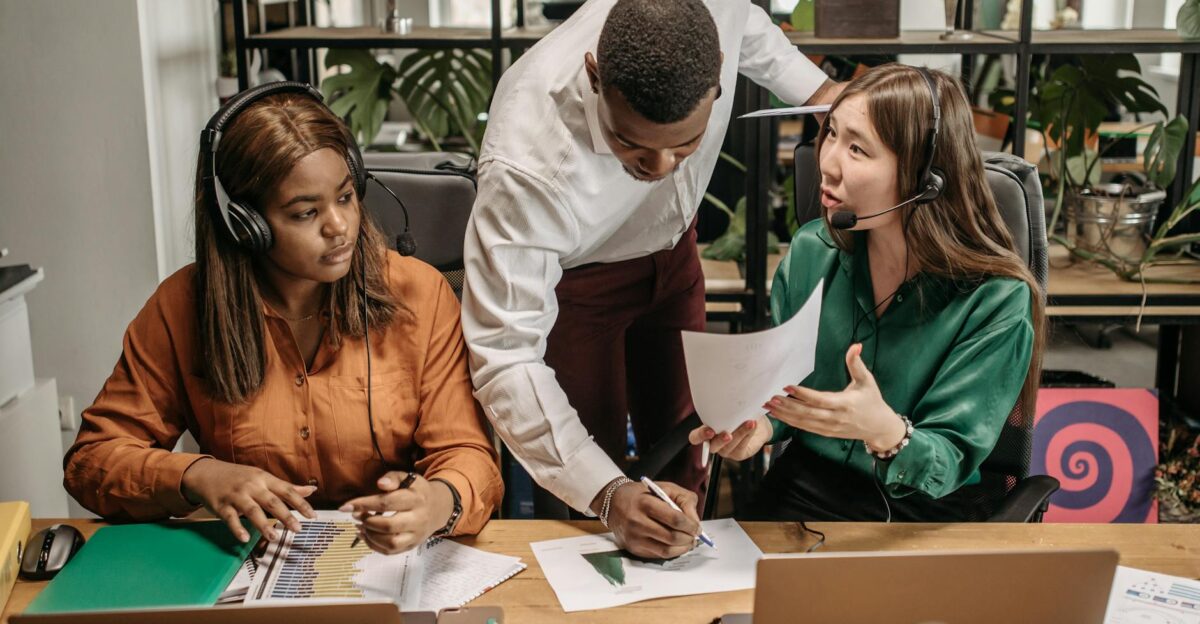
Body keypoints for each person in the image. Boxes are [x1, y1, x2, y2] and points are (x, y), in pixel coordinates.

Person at [461, 0, 841, 559]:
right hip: (578, 286)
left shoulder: (717, 10)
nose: (659, 169)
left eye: (683, 146)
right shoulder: (525, 161)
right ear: (595, 77)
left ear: (715, 78)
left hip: (675, 256)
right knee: (598, 480)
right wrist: (609, 494)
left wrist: (821, 94)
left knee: (691, 449)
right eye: (630, 146)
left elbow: (748, 28)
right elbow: (507, 357)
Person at [64, 85, 503, 553]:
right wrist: (198, 475)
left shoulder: (419, 293)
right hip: (248, 563)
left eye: (347, 197)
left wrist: (436, 502)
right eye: (305, 212)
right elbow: (93, 462)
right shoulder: (182, 308)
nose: (338, 226)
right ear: (244, 224)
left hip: (388, 563)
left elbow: (469, 454)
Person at [690, 64, 1045, 522]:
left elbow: (951, 457)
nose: (828, 163)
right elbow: (785, 389)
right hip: (806, 489)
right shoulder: (811, 253)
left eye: (857, 148)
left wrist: (885, 431)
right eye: (832, 134)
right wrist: (759, 426)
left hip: (926, 509)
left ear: (925, 177)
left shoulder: (996, 299)